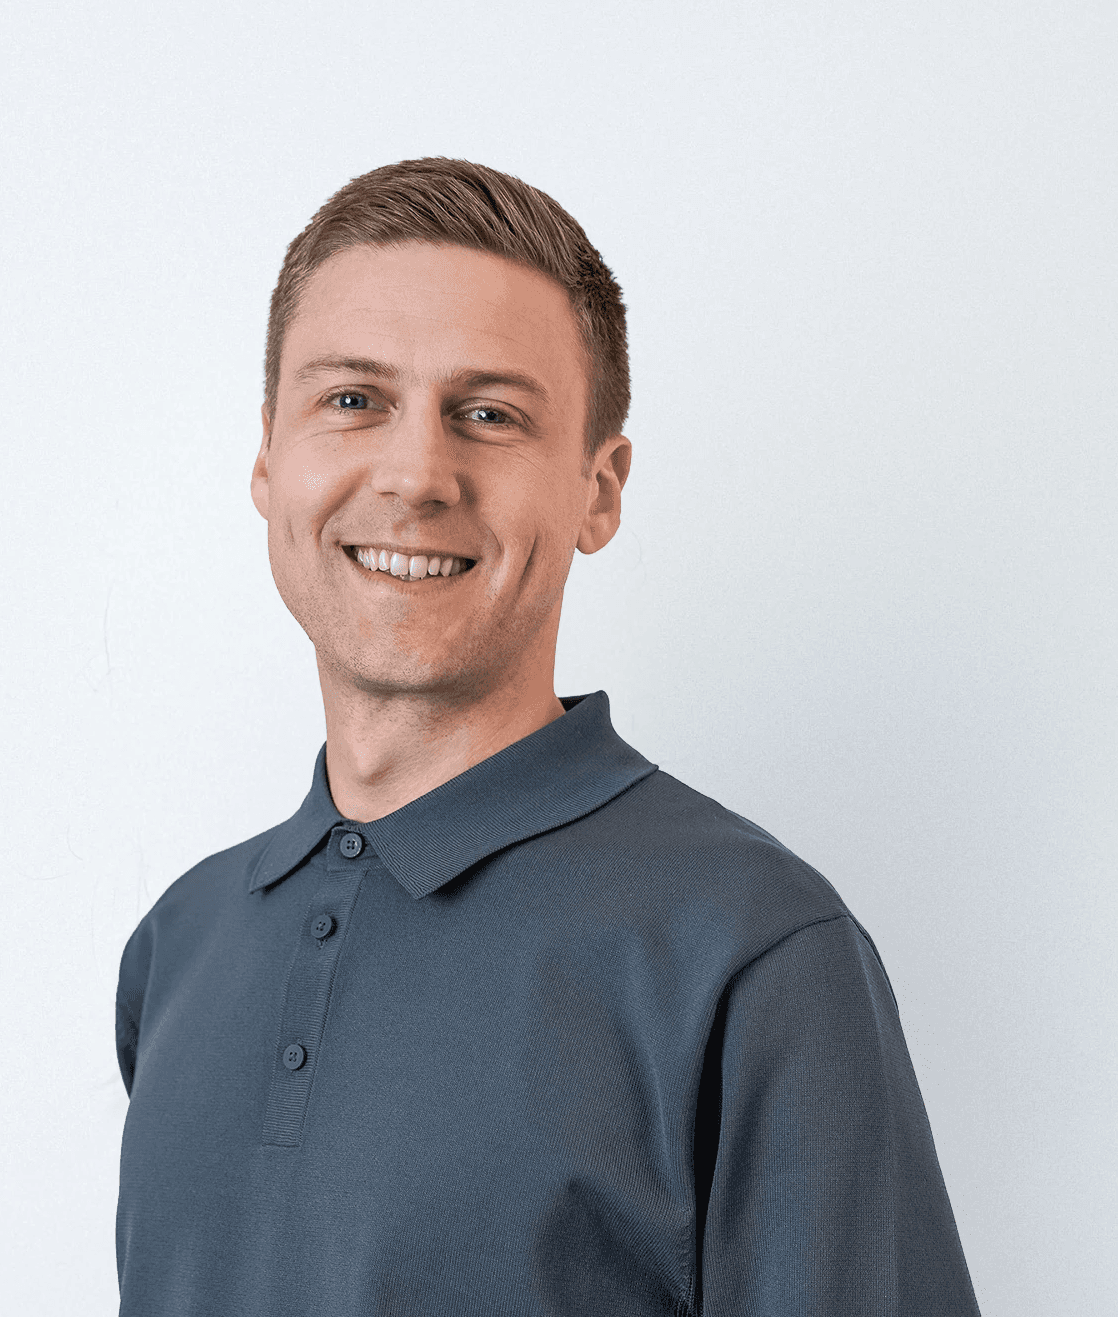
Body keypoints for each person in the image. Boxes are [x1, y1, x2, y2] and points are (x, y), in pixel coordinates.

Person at [114, 157, 981, 1316]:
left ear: (597, 490)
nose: (415, 475)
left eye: (487, 414)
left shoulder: (754, 951)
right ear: (270, 460)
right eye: (353, 400)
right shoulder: (178, 945)